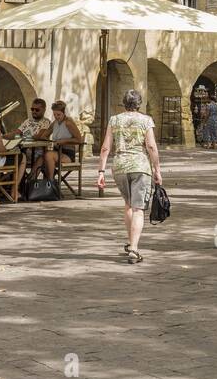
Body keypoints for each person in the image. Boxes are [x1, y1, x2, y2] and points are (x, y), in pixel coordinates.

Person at [96, 89, 162, 264]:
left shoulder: (114, 120)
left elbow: (105, 147)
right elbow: (151, 147)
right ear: (139, 104)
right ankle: (134, 248)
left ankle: (130, 240)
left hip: (119, 167)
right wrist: (157, 169)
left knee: (128, 204)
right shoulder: (146, 120)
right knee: (138, 208)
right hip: (140, 167)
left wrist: (101, 171)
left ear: (123, 103)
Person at [43, 100, 81, 182]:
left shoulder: (68, 123)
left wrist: (64, 141)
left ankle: (50, 182)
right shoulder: (55, 123)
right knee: (40, 158)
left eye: (58, 114)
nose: (56, 117)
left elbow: (79, 139)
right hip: (56, 152)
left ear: (64, 113)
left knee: (48, 155)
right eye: (54, 114)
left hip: (67, 155)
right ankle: (30, 181)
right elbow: (45, 134)